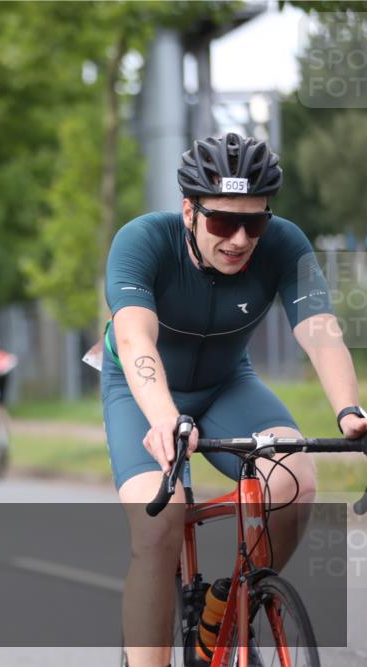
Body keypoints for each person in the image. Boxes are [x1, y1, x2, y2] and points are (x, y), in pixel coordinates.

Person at [103, 132, 367, 667]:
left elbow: (319, 329)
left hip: (228, 383)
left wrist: (351, 413)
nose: (241, 239)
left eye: (255, 222)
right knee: (159, 523)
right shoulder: (142, 240)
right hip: (144, 393)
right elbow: (134, 338)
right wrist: (163, 419)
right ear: (188, 210)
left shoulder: (285, 244)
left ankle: (226, 611)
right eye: (223, 221)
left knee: (295, 480)